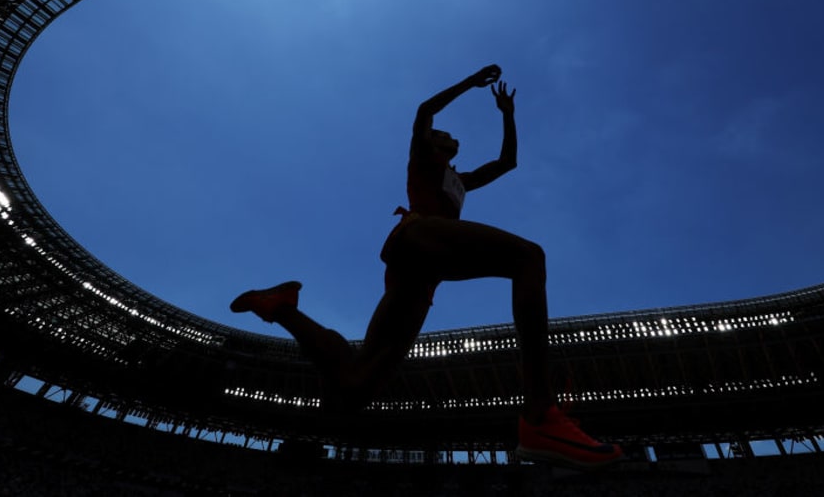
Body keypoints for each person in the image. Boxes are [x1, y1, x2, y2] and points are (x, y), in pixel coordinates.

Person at [230, 64, 624, 470]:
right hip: (417, 238)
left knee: (355, 385)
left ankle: (283, 307)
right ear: (432, 141)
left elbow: (508, 162)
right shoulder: (422, 158)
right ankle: (540, 413)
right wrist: (471, 82)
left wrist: (508, 115)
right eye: (443, 133)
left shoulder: (461, 180)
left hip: (419, 278)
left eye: (450, 136)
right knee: (528, 257)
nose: (451, 136)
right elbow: (424, 110)